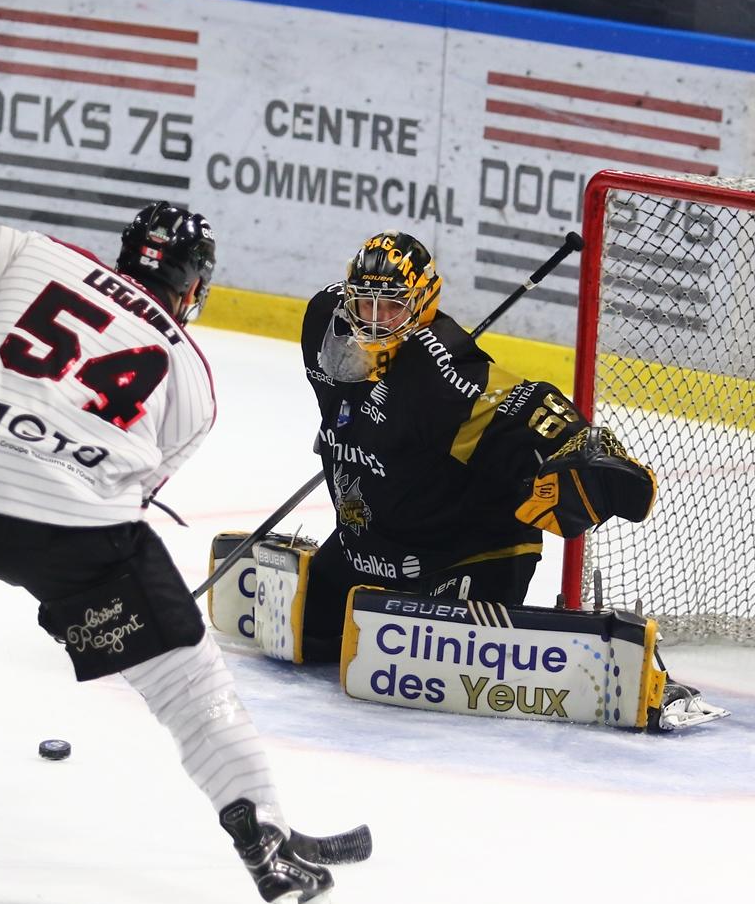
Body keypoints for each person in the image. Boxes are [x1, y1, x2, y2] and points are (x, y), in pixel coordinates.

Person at [0, 203, 347, 904]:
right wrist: (74, 603)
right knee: (187, 680)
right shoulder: (192, 379)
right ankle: (269, 846)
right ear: (194, 288)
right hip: (68, 533)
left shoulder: (32, 255)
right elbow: (127, 500)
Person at [297, 230, 717, 720]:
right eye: (363, 304)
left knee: (435, 674)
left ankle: (604, 667)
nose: (372, 319)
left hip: (465, 553)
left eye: (390, 306)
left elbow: (525, 402)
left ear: (424, 301)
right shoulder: (322, 321)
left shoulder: (440, 371)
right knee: (308, 634)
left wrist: (583, 447)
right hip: (375, 544)